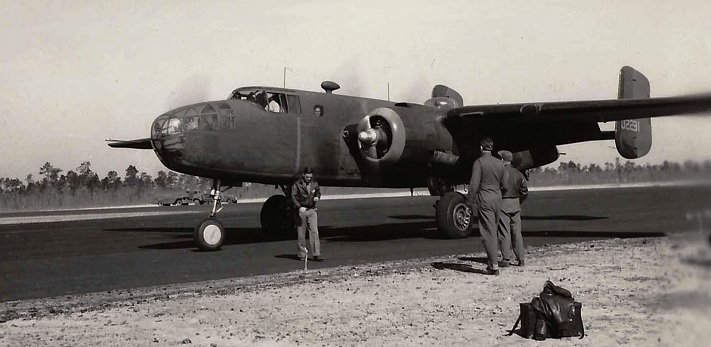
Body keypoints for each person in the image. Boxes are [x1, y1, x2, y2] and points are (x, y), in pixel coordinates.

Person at [467, 137, 506, 275]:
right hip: (497, 197)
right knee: (493, 230)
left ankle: (494, 266)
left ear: (481, 147)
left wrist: (469, 201)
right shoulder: (499, 163)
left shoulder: (479, 163)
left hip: (485, 198)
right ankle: (493, 262)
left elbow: (474, 184)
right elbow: (505, 184)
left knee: (488, 233)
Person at [497, 150, 528, 267]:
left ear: (502, 160)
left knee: (504, 232)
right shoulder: (519, 173)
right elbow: (524, 191)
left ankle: (506, 259)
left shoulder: (500, 173)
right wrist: (518, 201)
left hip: (503, 204)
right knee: (517, 232)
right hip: (515, 204)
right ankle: (521, 259)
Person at [291, 167, 323, 261]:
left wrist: (317, 197)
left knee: (314, 232)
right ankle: (302, 254)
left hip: (312, 209)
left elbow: (318, 192)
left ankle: (316, 254)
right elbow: (293, 196)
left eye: (310, 177)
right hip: (302, 210)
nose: (309, 179)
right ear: (303, 175)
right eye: (307, 177)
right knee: (301, 233)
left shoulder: (314, 183)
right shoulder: (297, 184)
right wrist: (299, 207)